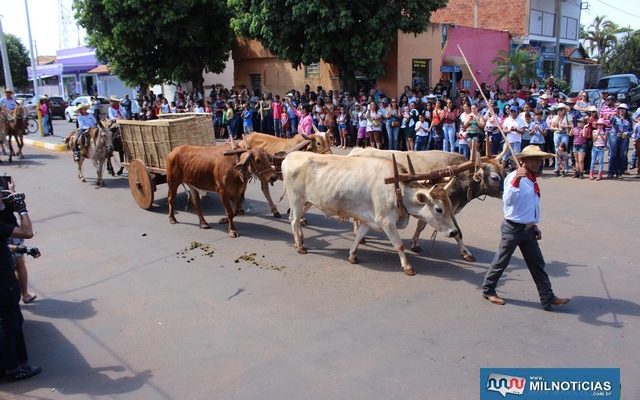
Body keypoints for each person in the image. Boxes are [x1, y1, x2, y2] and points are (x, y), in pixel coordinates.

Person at [482, 145, 571, 311]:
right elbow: (508, 201)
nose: (538, 163)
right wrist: (517, 179)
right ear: (523, 161)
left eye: (540, 159)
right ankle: (488, 290)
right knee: (501, 261)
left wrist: (534, 224)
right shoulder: (513, 178)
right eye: (534, 159)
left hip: (528, 229)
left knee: (537, 264)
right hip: (513, 229)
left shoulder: (531, 179)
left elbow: (529, 205)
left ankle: (547, 297)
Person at [0, 178, 42, 380]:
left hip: (5, 279)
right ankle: (13, 368)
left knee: (15, 320)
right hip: (3, 283)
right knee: (9, 323)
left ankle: (16, 364)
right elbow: (27, 232)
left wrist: (21, 249)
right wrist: (22, 210)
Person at [608, 103, 633, 179]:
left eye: (623, 109)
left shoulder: (628, 119)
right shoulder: (615, 117)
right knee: (613, 154)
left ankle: (619, 172)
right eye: (620, 108)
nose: (621, 110)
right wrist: (613, 114)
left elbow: (631, 130)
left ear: (626, 110)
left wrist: (627, 133)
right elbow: (610, 122)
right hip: (614, 136)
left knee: (621, 155)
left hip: (624, 138)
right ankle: (611, 172)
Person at [549, 103, 572, 176]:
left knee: (565, 150)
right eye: (559, 109)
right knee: (557, 150)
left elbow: (572, 126)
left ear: (565, 110)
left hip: (565, 133)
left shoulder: (568, 116)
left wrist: (564, 126)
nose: (560, 111)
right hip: (557, 133)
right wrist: (558, 128)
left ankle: (565, 168)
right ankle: (557, 168)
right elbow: (551, 127)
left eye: (562, 109)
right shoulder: (556, 117)